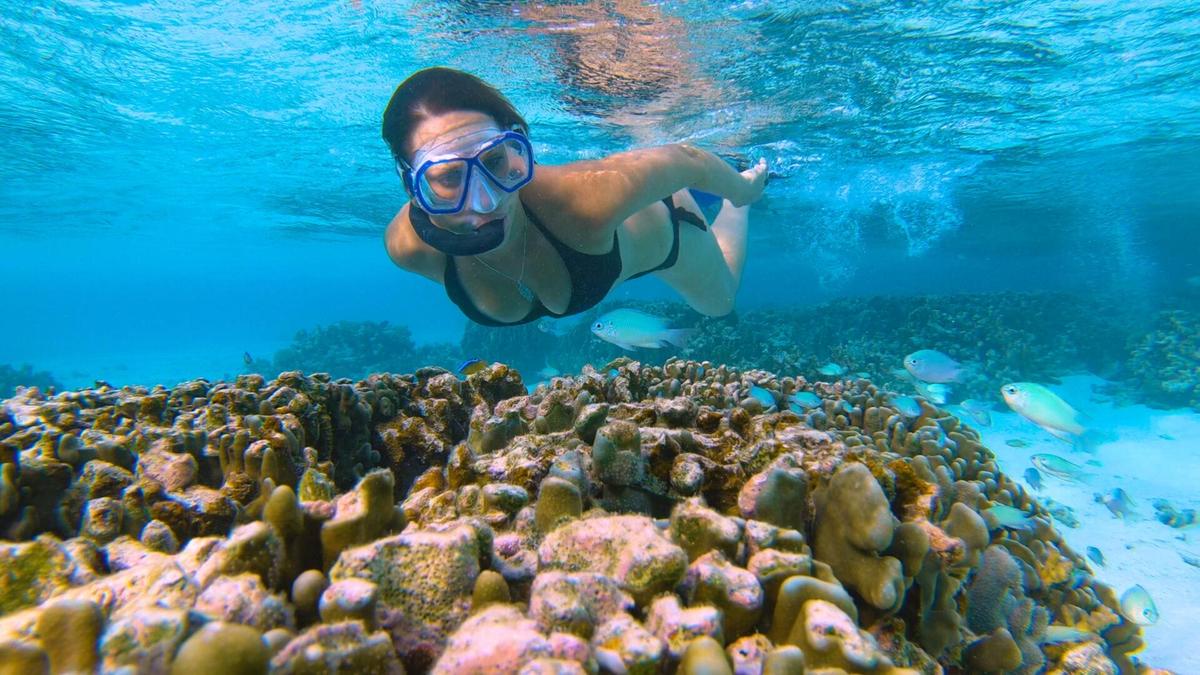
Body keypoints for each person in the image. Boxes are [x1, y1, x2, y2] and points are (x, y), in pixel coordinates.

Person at [381, 67, 767, 327]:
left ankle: (737, 208)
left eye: (495, 160)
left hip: (669, 229)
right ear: (412, 186)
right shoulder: (409, 248)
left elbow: (689, 160)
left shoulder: (584, 201)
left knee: (719, 305)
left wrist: (745, 187)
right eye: (449, 177)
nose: (485, 202)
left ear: (518, 148)